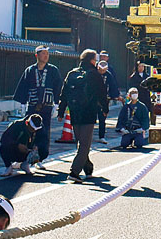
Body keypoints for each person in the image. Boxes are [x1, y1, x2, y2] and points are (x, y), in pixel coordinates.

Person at [58, 49, 108, 183]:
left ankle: (88, 168)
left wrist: (61, 112)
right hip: (88, 112)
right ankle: (74, 172)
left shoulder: (72, 73)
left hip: (74, 112)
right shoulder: (94, 75)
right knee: (85, 145)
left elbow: (64, 93)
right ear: (92, 60)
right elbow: (102, 93)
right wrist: (105, 108)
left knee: (81, 142)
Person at [13, 45, 62, 167]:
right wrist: (22, 104)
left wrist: (56, 104)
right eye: (43, 53)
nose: (46, 56)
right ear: (37, 55)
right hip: (33, 105)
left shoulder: (53, 70)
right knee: (29, 131)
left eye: (47, 54)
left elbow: (58, 87)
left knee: (44, 132)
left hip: (47, 106)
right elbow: (23, 87)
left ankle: (40, 158)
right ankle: (25, 157)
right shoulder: (30, 70)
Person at [96, 58, 121, 144]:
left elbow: (113, 86)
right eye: (100, 70)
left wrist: (116, 96)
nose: (102, 71)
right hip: (93, 99)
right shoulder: (93, 74)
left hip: (104, 99)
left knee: (102, 118)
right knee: (90, 118)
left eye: (104, 70)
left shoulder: (108, 75)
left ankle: (101, 136)